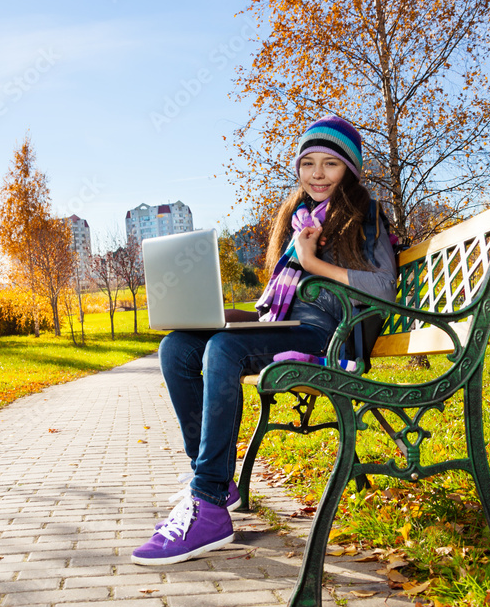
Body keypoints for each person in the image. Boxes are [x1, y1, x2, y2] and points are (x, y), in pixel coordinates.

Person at [132, 115, 397, 566]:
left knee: (224, 349)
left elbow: (383, 288)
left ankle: (210, 504)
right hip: (286, 326)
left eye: (330, 164)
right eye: (308, 163)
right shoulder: (297, 218)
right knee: (177, 346)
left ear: (350, 170)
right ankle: (211, 477)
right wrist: (222, 315)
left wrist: (314, 262)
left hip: (328, 335)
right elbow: (280, 297)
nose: (317, 174)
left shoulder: (365, 215)